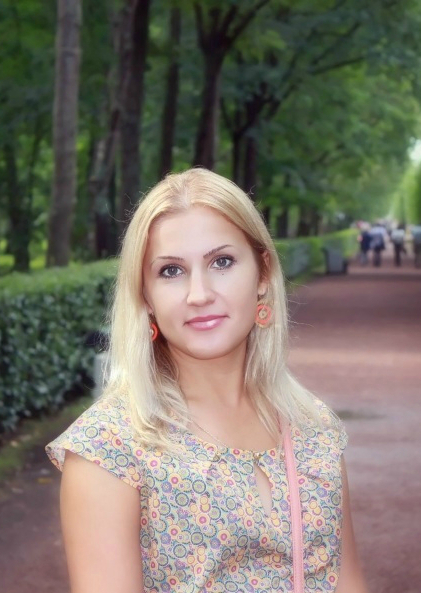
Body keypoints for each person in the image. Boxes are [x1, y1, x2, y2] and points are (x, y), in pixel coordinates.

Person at [46, 168, 367, 593]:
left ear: (263, 274)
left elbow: (347, 582)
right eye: (171, 271)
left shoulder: (314, 427)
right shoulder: (109, 449)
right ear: (145, 297)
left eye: (222, 262)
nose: (199, 294)